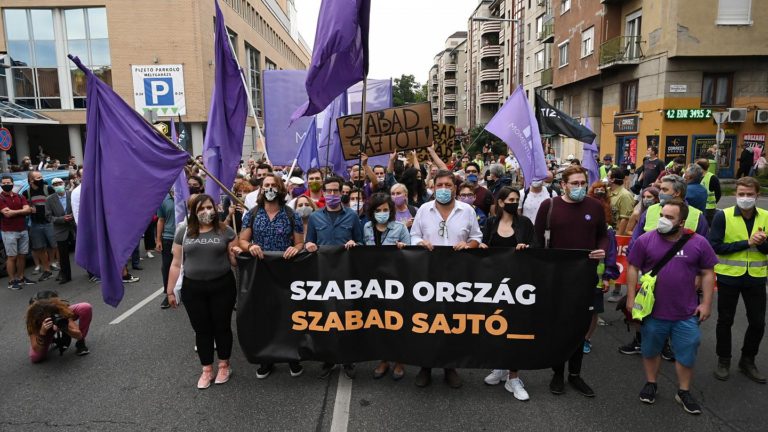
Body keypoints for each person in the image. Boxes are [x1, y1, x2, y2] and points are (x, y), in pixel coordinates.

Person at [626, 198, 717, 414]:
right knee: (650, 349)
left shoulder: (698, 242)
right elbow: (632, 267)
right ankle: (651, 383)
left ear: (681, 222)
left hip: (685, 312)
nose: (663, 220)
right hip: (653, 311)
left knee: (687, 350)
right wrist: (631, 298)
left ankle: (683, 391)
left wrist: (706, 304)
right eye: (661, 215)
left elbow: (707, 272)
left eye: (669, 217)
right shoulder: (646, 240)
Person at [534, 165, 608, 398]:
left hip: (585, 275)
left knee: (580, 326)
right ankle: (557, 373)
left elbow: (603, 235)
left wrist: (602, 250)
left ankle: (575, 375)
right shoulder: (550, 206)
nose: (579, 187)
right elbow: (537, 240)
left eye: (582, 183)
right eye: (574, 183)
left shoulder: (595, 207)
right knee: (559, 326)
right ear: (563, 184)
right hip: (556, 277)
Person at [410, 169, 483, 389]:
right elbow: (414, 235)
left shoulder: (467, 211)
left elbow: (476, 238)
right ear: (433, 187)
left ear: (455, 188)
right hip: (428, 275)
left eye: (447, 185)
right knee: (427, 320)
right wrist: (420, 243)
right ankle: (426, 366)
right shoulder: (424, 209)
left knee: (452, 320)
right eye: (439, 185)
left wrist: (468, 245)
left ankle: (450, 367)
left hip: (456, 276)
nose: (443, 189)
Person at [236, 174, 305, 379]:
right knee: (264, 316)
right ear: (261, 189)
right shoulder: (253, 214)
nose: (270, 188)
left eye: (274, 185)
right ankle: (266, 358)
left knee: (288, 314)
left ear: (280, 189)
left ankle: (292, 357)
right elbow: (241, 241)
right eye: (266, 185)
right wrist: (251, 246)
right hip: (261, 271)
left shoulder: (292, 215)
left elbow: (300, 242)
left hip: (286, 271)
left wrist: (296, 248)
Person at [167, 194, 239, 389]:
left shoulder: (226, 230)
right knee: (202, 329)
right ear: (193, 212)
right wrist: (170, 291)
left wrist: (235, 253)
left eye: (209, 207)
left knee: (222, 326)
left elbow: (234, 262)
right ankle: (207, 369)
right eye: (200, 209)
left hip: (222, 286)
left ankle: (224, 365)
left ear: (215, 209)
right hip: (193, 288)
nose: (205, 212)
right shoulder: (184, 231)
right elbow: (175, 263)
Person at [479, 186, 536, 401]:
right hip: (494, 285)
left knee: (515, 328)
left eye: (517, 199)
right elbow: (484, 244)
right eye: (511, 199)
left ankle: (514, 377)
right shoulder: (491, 222)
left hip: (519, 286)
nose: (515, 202)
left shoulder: (525, 224)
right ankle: (500, 367)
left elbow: (537, 249)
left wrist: (526, 248)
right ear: (501, 202)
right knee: (496, 326)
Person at [709, 177, 767, 384]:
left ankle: (747, 360)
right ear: (735, 195)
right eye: (741, 194)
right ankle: (724, 360)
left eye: (749, 195)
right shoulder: (722, 216)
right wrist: (746, 243)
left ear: (757, 196)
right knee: (725, 320)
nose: (745, 198)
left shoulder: (766, 217)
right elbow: (714, 246)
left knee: (758, 322)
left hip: (757, 278)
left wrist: (761, 245)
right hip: (728, 276)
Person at [305, 176, 364, 379]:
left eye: (335, 191)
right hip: (323, 275)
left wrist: (355, 245)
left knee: (347, 316)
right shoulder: (314, 218)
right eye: (328, 191)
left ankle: (348, 359)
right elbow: (308, 242)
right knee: (326, 316)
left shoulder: (353, 216)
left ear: (341, 193)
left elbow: (362, 243)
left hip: (347, 276)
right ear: (323, 193)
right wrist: (308, 246)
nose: (332, 195)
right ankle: (328, 358)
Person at [362, 192, 410, 380]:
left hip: (396, 282)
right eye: (378, 210)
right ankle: (384, 360)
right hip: (373, 282)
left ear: (390, 211)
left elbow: (411, 252)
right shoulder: (366, 227)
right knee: (379, 322)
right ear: (372, 212)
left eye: (385, 210)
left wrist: (403, 249)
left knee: (396, 321)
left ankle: (399, 360)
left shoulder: (399, 228)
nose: (382, 213)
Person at [26, 290, 92, 362]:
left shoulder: (58, 310)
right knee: (35, 357)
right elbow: (36, 348)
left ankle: (80, 343)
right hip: (43, 330)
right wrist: (42, 333)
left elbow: (79, 335)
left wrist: (64, 327)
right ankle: (51, 339)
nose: (47, 316)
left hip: (59, 317)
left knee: (85, 307)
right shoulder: (32, 318)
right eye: (43, 315)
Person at [0, 175, 34, 290]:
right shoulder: (0, 198)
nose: (6, 185)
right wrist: (22, 211)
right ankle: (11, 280)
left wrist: (15, 211)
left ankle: (21, 277)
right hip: (9, 231)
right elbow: (7, 214)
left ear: (12, 183)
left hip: (23, 229)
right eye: (3, 183)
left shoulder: (19, 196)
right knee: (12, 257)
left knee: (22, 256)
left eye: (8, 182)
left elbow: (28, 209)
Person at [23, 171, 56, 282]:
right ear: (31, 180)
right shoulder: (26, 192)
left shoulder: (49, 189)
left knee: (54, 245)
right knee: (39, 248)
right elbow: (25, 207)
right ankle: (47, 270)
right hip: (35, 224)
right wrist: (28, 209)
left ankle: (55, 264)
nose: (41, 179)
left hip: (49, 222)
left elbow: (55, 204)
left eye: (41, 177)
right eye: (38, 177)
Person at [44, 178, 75, 285]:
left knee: (83, 250)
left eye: (60, 183)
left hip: (74, 227)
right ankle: (66, 276)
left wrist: (73, 216)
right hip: (60, 230)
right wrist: (62, 219)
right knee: (63, 255)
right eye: (55, 184)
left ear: (64, 183)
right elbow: (48, 217)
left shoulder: (72, 194)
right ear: (52, 186)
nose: (58, 186)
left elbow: (80, 208)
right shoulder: (49, 199)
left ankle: (91, 273)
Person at [155, 191, 176, 309]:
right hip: (168, 238)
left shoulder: (188, 196)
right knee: (167, 267)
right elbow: (161, 220)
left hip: (187, 237)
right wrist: (158, 240)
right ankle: (169, 294)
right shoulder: (164, 199)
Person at [607, 168, 635, 236]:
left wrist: (618, 238)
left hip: (615, 232)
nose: (606, 178)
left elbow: (625, 219)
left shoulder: (625, 195)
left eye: (607, 176)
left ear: (613, 179)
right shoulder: (606, 191)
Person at [696, 159, 722, 226]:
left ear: (700, 167)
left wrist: (713, 202)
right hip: (698, 207)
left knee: (707, 226)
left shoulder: (712, 177)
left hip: (709, 209)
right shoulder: (696, 176)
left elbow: (718, 193)